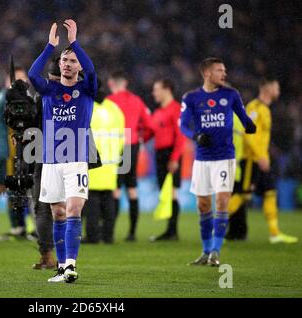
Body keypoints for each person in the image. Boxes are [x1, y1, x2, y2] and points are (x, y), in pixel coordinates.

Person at [28, 19, 97, 283]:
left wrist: (75, 44)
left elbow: (91, 70)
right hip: (51, 161)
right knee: (57, 213)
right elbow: (33, 75)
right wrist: (50, 47)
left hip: (76, 160)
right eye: (64, 61)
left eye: (72, 61)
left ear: (78, 66)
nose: (67, 64)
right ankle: (61, 268)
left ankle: (70, 265)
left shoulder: (86, 89)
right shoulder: (49, 89)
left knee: (73, 210)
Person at [180, 57, 256, 266]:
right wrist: (196, 137)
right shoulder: (191, 97)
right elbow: (183, 126)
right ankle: (205, 252)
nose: (224, 74)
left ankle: (215, 251)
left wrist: (250, 126)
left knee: (222, 201)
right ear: (206, 73)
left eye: (224, 70)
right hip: (203, 159)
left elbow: (243, 117)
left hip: (225, 157)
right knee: (203, 204)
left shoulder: (231, 94)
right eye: (219, 70)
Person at [226, 77, 298, 244]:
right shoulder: (255, 108)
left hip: (260, 158)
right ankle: (214, 225)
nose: (278, 91)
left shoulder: (264, 109)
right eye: (276, 88)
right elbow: (248, 133)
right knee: (244, 195)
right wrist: (260, 156)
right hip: (252, 159)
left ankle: (274, 233)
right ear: (267, 88)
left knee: (270, 192)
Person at [0, 67, 32, 241]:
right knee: (1, 187)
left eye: (24, 78)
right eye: (20, 79)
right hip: (6, 151)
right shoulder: (11, 97)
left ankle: (17, 228)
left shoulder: (0, 96)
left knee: (9, 187)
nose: (23, 82)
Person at [107, 71, 151, 242]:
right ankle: (132, 232)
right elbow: (149, 126)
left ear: (111, 83)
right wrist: (140, 140)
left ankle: (110, 231)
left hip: (115, 147)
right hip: (132, 146)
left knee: (116, 189)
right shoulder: (137, 100)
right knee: (132, 188)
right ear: (125, 82)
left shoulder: (110, 102)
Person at [82, 79, 124, 244]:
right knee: (108, 201)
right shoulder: (114, 109)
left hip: (93, 164)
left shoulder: (87, 108)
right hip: (111, 164)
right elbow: (122, 138)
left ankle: (92, 236)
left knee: (91, 201)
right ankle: (108, 235)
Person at [146, 79, 185, 241]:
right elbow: (150, 133)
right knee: (166, 193)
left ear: (167, 90)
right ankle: (170, 231)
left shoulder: (176, 109)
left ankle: (172, 231)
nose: (153, 93)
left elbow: (181, 136)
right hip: (160, 154)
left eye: (156, 89)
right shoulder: (158, 112)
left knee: (172, 193)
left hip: (170, 154)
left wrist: (175, 158)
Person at [32, 59, 60, 269]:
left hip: (44, 158)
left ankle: (48, 256)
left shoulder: (42, 96)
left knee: (43, 209)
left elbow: (30, 132)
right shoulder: (79, 93)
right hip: (73, 156)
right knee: (69, 210)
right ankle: (67, 259)